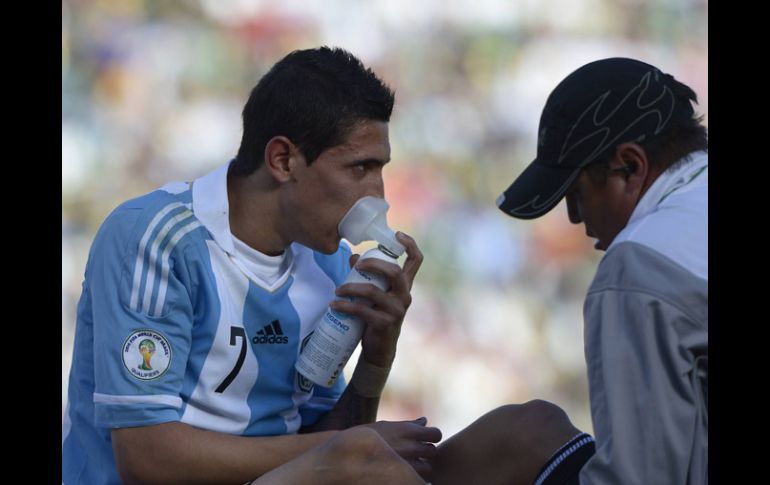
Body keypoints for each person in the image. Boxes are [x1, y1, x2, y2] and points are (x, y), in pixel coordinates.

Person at [62, 46, 441, 485]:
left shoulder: (332, 266)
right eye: (361, 168)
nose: (378, 194)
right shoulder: (155, 238)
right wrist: (351, 450)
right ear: (282, 160)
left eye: (380, 169)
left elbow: (324, 445)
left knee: (509, 433)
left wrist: (376, 359)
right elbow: (145, 457)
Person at [427, 57, 708, 485]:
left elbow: (639, 479)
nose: (575, 218)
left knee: (520, 436)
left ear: (631, 166)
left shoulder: (638, 265)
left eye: (576, 193)